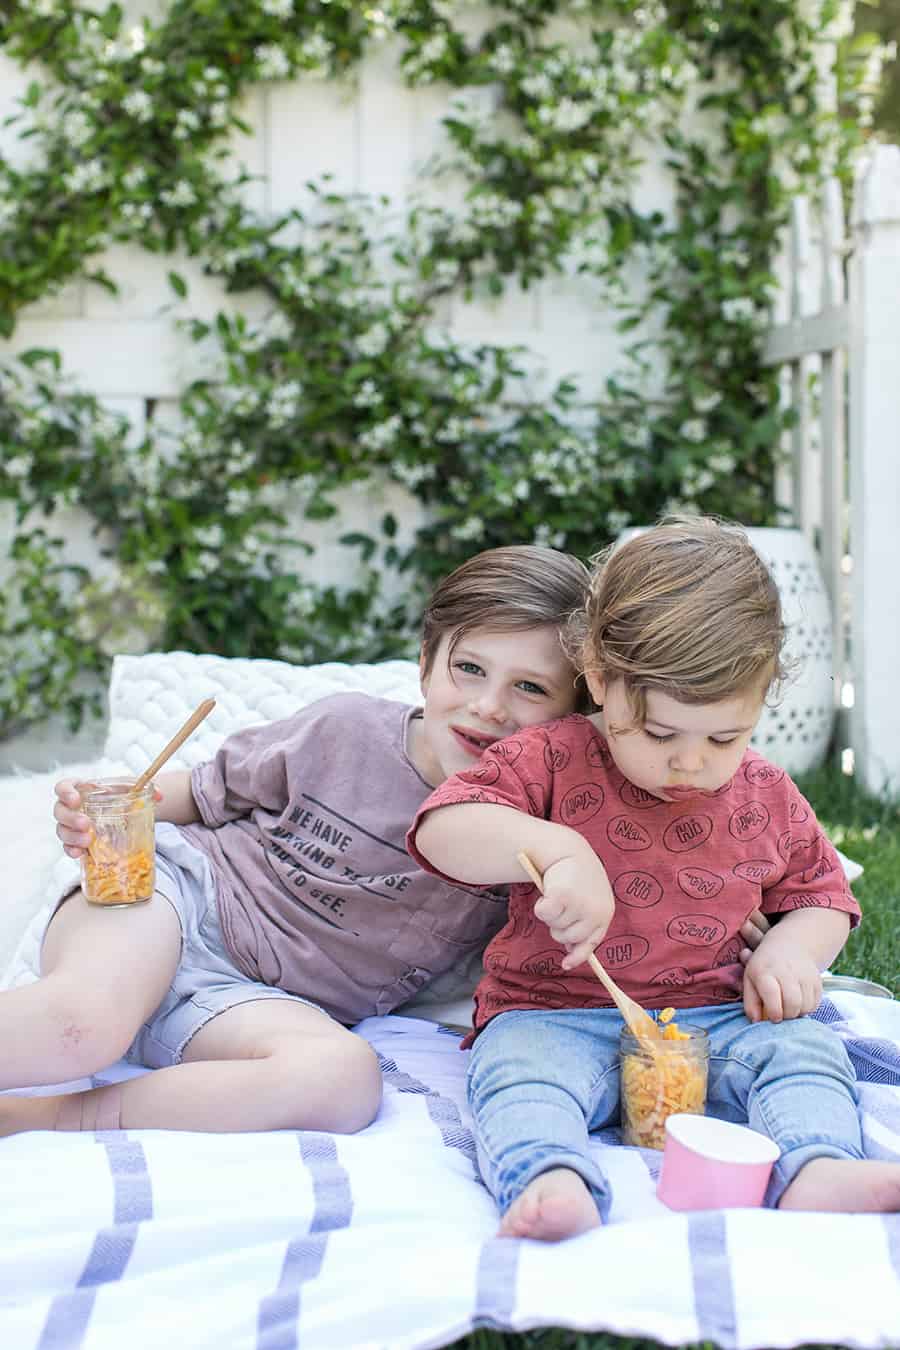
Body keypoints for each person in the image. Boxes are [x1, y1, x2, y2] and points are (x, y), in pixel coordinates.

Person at [409, 515, 900, 1242]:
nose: (692, 762)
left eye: (725, 736)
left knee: (804, 1051)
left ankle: (817, 1167)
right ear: (601, 681)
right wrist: (558, 849)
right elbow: (443, 827)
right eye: (662, 734)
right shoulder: (550, 758)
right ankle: (550, 1176)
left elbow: (822, 896)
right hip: (551, 1014)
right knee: (518, 1080)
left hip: (717, 1016)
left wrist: (793, 951)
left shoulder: (765, 793)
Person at [0, 545, 596, 1138]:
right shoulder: (345, 728)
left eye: (531, 688)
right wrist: (107, 805)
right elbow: (202, 792)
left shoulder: (537, 831)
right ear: (424, 664)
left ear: (575, 717)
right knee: (80, 1024)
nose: (489, 706)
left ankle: (39, 1120)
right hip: (178, 903)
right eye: (469, 668)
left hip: (247, 1006)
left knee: (342, 1080)